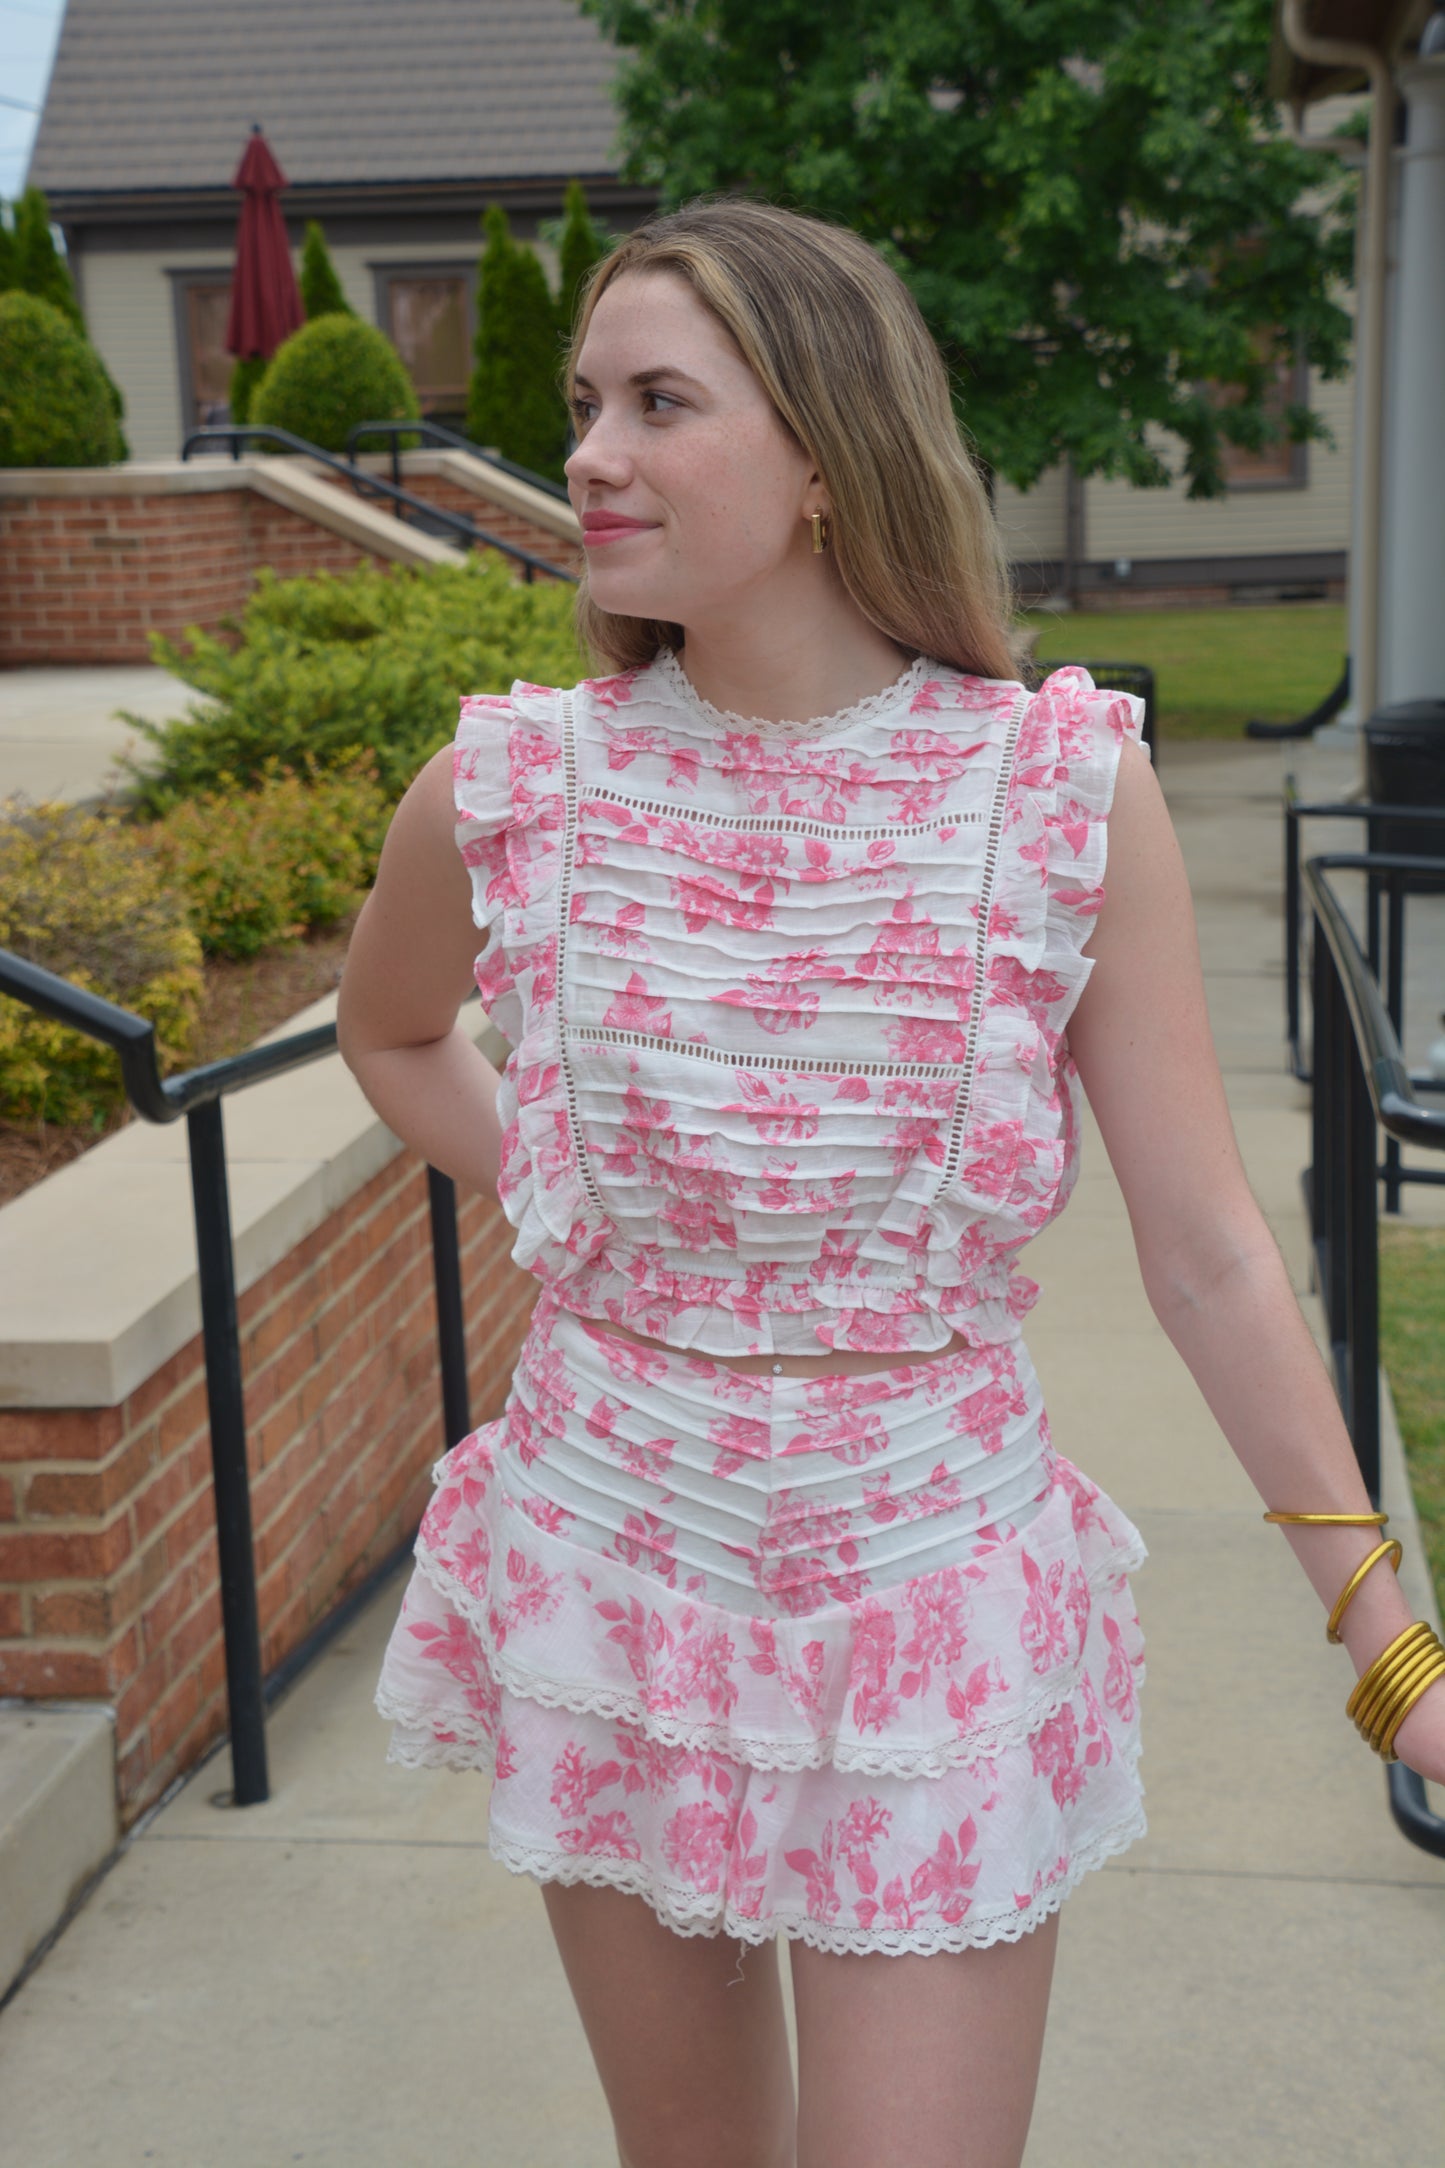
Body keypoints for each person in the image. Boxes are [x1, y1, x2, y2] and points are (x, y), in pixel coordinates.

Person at [337, 199, 1445, 2168]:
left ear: (830, 451)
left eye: (659, 402)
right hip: (612, 1566)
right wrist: (593, 1210)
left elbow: (1202, 1252)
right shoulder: (514, 784)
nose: (587, 451)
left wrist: (1391, 1641)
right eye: (584, 403)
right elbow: (392, 1029)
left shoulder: (1052, 789)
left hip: (928, 1591)